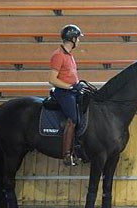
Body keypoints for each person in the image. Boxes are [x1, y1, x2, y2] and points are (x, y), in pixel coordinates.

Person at [49, 24, 84, 163]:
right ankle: (67, 154)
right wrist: (70, 87)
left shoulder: (69, 55)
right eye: (78, 38)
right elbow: (52, 79)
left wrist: (77, 85)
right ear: (72, 39)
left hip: (72, 90)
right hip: (64, 93)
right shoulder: (58, 55)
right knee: (73, 119)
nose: (79, 41)